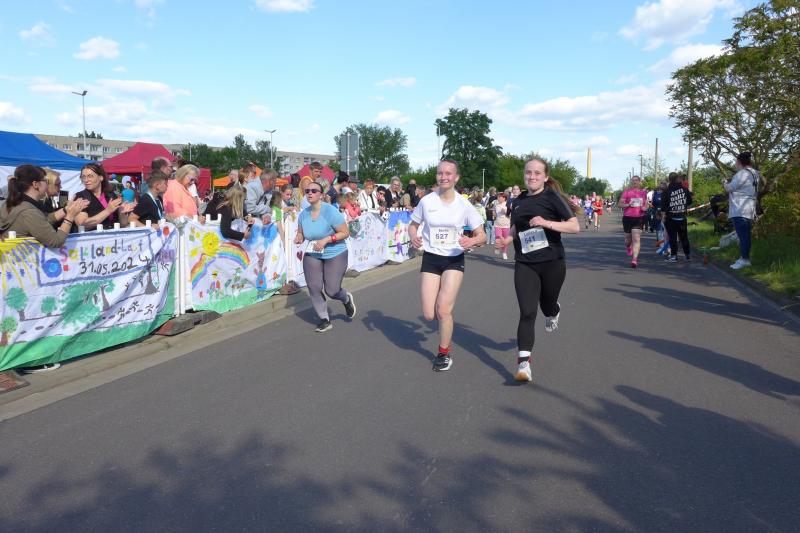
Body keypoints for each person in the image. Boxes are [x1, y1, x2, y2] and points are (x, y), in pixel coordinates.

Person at [494, 158, 580, 382]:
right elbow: (517, 225)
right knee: (527, 312)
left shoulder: (552, 197)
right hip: (525, 263)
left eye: (537, 173)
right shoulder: (518, 200)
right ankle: (524, 364)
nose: (532, 176)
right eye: (528, 172)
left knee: (547, 305)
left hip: (552, 262)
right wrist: (507, 240)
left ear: (545, 177)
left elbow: (574, 226)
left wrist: (546, 223)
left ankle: (553, 311)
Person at [408, 159, 486, 372]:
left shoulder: (464, 204)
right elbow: (412, 225)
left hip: (453, 259)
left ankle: (444, 353)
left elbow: (482, 235)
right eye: (440, 173)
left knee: (443, 310)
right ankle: (443, 327)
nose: (443, 177)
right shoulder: (426, 201)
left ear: (456, 177)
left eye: (448, 173)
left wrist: (472, 240)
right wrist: (413, 237)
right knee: (428, 314)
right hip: (431, 258)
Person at [293, 179, 355, 332]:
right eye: (307, 191)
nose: (310, 193)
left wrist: (327, 239)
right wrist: (299, 236)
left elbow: (345, 233)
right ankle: (324, 319)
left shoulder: (330, 211)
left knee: (332, 290)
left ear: (321, 194)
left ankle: (346, 298)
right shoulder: (303, 214)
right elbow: (301, 232)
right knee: (314, 287)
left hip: (335, 252)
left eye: (314, 191)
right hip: (314, 252)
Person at [724, 151, 759, 270]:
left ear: (739, 162)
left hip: (739, 208)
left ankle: (745, 259)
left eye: (736, 161)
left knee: (743, 236)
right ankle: (743, 257)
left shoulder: (741, 174)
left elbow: (730, 188)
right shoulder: (755, 173)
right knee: (745, 235)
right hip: (749, 208)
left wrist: (725, 183)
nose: (735, 164)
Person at [74, 163, 132, 230]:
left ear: (101, 178)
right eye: (83, 177)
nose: (86, 180)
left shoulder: (111, 195)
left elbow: (123, 224)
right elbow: (82, 224)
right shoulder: (80, 197)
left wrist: (123, 212)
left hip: (112, 235)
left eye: (90, 176)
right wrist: (108, 210)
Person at [662, 172, 693, 263]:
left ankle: (674, 256)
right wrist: (682, 205)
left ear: (669, 180)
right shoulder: (685, 190)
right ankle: (687, 255)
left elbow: (663, 206)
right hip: (682, 216)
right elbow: (690, 201)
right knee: (684, 237)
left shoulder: (666, 191)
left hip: (671, 217)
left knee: (673, 238)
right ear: (677, 179)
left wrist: (663, 217)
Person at [619, 175, 648, 268]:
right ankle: (628, 246)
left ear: (639, 182)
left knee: (636, 239)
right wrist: (628, 204)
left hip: (639, 218)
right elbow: (620, 204)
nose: (634, 182)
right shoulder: (627, 192)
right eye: (633, 180)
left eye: (636, 180)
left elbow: (646, 204)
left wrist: (645, 208)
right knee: (628, 240)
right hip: (628, 217)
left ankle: (634, 259)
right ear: (631, 182)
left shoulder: (644, 192)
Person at [494, 192, 511, 259]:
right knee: (498, 237)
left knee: (504, 240)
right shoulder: (496, 204)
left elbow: (510, 215)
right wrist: (494, 215)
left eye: (499, 197)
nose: (498, 198)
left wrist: (506, 212)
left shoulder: (507, 205)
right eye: (498, 197)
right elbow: (494, 212)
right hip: (497, 224)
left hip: (506, 225)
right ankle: (497, 247)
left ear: (504, 198)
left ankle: (504, 252)